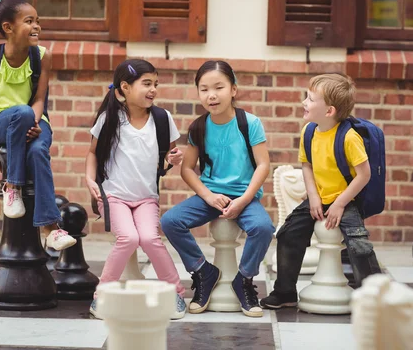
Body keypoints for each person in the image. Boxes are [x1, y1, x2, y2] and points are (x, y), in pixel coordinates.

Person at [160, 60, 274, 318]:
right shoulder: (199, 127)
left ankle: (244, 279)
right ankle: (203, 271)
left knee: (263, 228)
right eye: (204, 89)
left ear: (233, 89)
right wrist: (208, 196)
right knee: (170, 221)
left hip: (244, 196)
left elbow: (263, 165)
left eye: (219, 87)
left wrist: (244, 200)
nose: (211, 95)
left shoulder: (250, 123)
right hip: (210, 196)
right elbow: (187, 169)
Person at [260, 73, 382, 310]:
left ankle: (374, 296)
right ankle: (285, 292)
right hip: (319, 197)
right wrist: (313, 196)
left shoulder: (349, 137)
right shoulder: (309, 131)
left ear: (329, 111)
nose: (304, 103)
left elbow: (364, 175)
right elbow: (307, 165)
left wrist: (339, 204)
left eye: (310, 99)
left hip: (346, 199)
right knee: (287, 233)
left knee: (359, 245)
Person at [0, 0, 75, 250]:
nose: (36, 26)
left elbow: (39, 99)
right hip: (0, 123)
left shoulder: (42, 56)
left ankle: (50, 228)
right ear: (8, 27)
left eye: (38, 21)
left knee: (37, 151)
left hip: (35, 121)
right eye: (29, 21)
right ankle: (11, 185)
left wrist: (34, 122)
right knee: (21, 113)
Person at [85, 59, 186, 319]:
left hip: (146, 198)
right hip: (115, 196)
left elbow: (166, 156)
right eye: (146, 84)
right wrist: (89, 180)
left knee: (150, 239)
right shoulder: (110, 119)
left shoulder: (162, 119)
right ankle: (102, 294)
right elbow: (93, 153)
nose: (153, 89)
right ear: (125, 88)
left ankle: (175, 292)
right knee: (128, 238)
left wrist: (172, 160)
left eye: (156, 84)